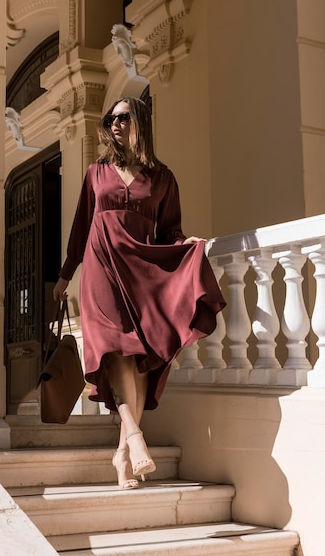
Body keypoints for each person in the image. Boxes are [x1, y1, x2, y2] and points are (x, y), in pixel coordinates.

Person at [53, 97, 225, 490]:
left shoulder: (162, 178)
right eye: (111, 118)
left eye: (123, 117)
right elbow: (82, 226)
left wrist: (187, 245)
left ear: (141, 122)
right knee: (113, 349)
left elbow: (170, 232)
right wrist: (65, 274)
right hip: (100, 267)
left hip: (140, 271)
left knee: (142, 357)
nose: (115, 123)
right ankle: (134, 436)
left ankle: (122, 458)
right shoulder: (96, 172)